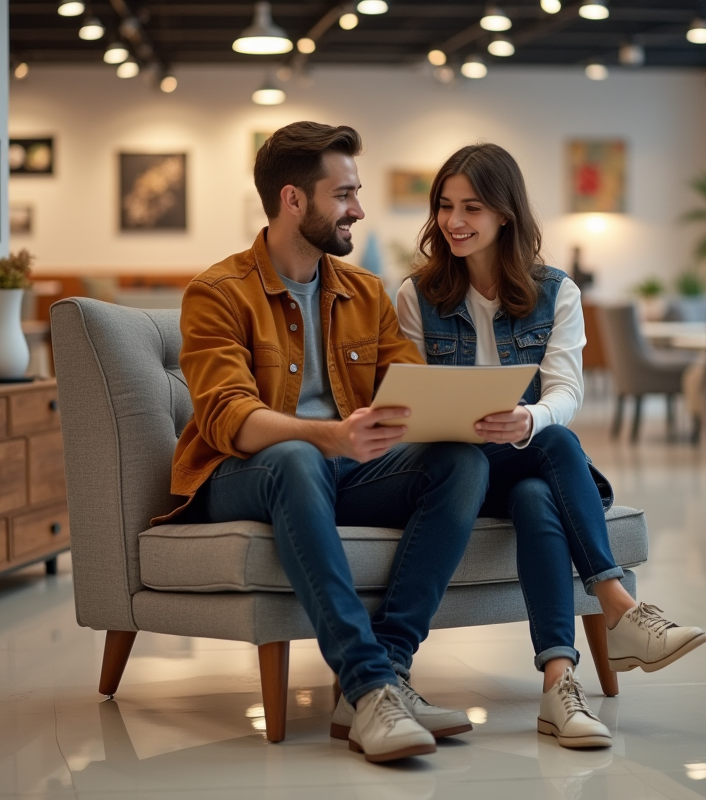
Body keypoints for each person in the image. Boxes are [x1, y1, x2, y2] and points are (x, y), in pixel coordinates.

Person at [168, 122, 489, 763]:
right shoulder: (217, 293)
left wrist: (454, 412)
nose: (358, 210)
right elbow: (230, 418)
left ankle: (389, 669)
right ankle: (367, 689)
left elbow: (410, 392)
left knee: (459, 461)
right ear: (293, 200)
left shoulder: (364, 292)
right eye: (344, 195)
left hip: (339, 472)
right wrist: (331, 436)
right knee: (296, 456)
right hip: (242, 474)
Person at [395, 143, 706, 750]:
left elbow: (566, 390)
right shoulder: (416, 295)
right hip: (452, 472)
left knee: (539, 491)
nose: (454, 221)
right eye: (445, 207)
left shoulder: (555, 292)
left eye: (471, 208)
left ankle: (558, 685)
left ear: (504, 213)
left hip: (523, 460)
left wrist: (528, 418)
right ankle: (618, 607)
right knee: (557, 444)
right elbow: (410, 397)